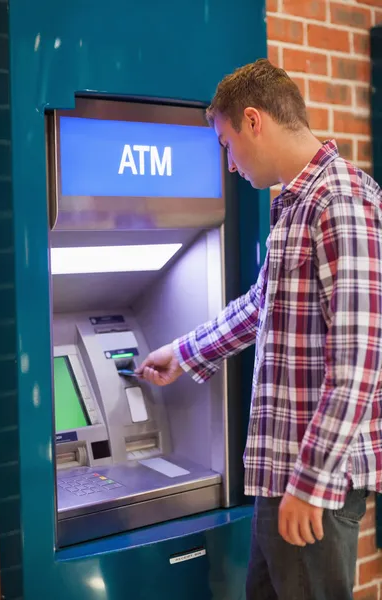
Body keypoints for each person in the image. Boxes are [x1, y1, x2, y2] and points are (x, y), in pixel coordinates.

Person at [135, 58, 382, 600]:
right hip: (284, 474)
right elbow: (262, 304)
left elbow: (360, 362)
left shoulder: (339, 200)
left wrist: (312, 481)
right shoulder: (295, 203)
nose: (229, 164)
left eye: (226, 144)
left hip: (316, 479)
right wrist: (184, 351)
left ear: (253, 121)